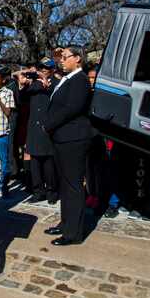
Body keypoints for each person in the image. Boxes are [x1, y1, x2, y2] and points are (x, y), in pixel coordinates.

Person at [42, 46, 94, 246]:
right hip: (62, 138)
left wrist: (49, 124)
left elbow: (72, 108)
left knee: (73, 185)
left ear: (78, 59)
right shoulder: (67, 79)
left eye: (65, 57)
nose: (61, 61)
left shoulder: (80, 80)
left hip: (74, 139)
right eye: (61, 58)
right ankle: (65, 223)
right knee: (65, 184)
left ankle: (73, 233)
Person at [26, 58, 58, 204]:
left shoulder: (57, 83)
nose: (44, 70)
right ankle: (38, 191)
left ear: (52, 69)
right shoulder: (34, 84)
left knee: (49, 165)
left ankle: (52, 191)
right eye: (42, 67)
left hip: (48, 129)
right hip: (34, 128)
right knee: (35, 164)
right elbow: (25, 93)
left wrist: (46, 83)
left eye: (47, 68)